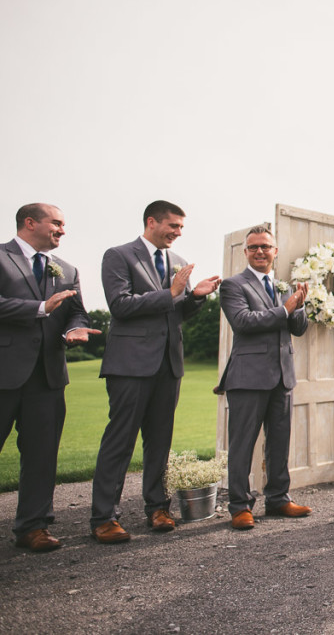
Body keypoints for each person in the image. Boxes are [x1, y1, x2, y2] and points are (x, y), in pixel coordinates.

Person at [90, 200, 221, 543]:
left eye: (181, 228)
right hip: (130, 364)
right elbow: (119, 305)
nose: (178, 233)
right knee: (120, 441)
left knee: (160, 441)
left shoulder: (177, 262)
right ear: (152, 222)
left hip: (169, 364)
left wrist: (194, 297)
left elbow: (174, 314)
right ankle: (104, 517)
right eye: (173, 226)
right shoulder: (118, 255)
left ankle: (157, 508)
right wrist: (172, 292)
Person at [0, 204, 99, 552]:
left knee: (42, 455)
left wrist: (76, 330)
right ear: (30, 223)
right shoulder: (1, 257)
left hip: (48, 375)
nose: (62, 230)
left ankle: (33, 526)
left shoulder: (67, 269)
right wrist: (40, 308)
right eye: (56, 223)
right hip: (4, 373)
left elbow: (76, 312)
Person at [216, 226, 310, 530]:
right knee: (242, 444)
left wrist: (300, 305)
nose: (260, 252)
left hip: (283, 376)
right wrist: (285, 309)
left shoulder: (283, 286)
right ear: (245, 252)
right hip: (247, 377)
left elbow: (297, 329)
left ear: (275, 251)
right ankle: (240, 506)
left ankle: (278, 498)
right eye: (254, 247)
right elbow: (243, 323)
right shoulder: (233, 285)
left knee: (279, 443)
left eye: (265, 247)